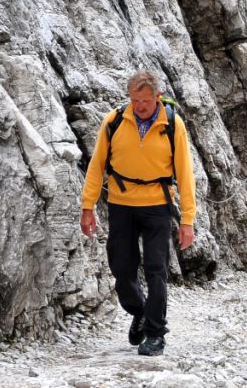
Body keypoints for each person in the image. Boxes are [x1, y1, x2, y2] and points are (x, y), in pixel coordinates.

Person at [80, 70, 196, 356]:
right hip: (121, 204)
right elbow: (97, 166)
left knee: (157, 269)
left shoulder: (172, 124)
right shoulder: (115, 120)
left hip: (157, 205)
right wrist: (88, 206)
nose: (140, 106)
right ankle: (139, 311)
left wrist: (187, 220)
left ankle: (156, 333)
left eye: (145, 100)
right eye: (135, 100)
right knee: (121, 267)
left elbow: (185, 172)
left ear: (157, 96)